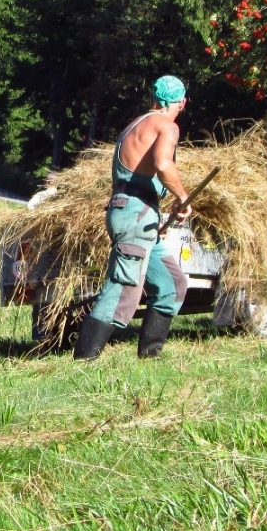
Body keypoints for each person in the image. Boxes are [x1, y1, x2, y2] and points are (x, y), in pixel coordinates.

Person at [74, 75, 192, 361]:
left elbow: (145, 173)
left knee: (171, 284)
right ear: (181, 102)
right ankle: (83, 361)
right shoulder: (167, 126)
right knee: (123, 289)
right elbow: (163, 165)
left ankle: (151, 356)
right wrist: (182, 196)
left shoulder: (135, 125)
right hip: (135, 214)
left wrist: (164, 204)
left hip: (138, 212)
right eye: (182, 103)